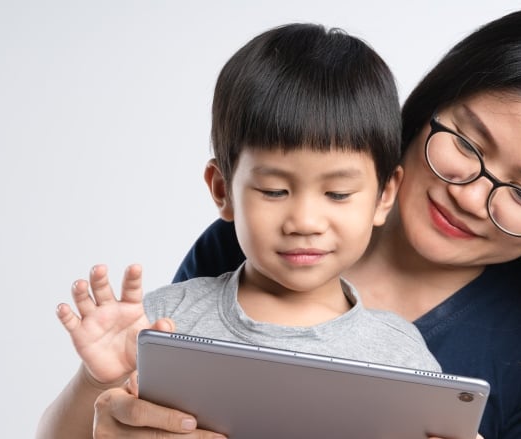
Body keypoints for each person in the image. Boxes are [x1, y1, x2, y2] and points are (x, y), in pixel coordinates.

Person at [56, 6, 521, 439]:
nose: (473, 196)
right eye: (468, 145)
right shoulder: (246, 254)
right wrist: (104, 411)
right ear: (423, 113)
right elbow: (109, 410)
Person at [37, 23, 444, 439]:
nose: (304, 221)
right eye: (274, 190)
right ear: (222, 189)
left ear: (383, 196)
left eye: (338, 193)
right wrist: (95, 380)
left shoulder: (400, 355)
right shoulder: (164, 326)